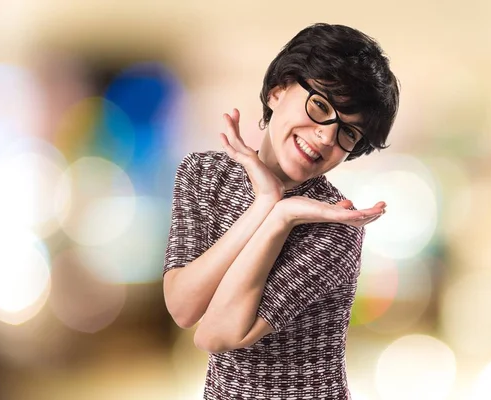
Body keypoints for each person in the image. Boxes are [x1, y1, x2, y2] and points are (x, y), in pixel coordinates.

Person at [163, 23, 400, 399]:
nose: (326, 137)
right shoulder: (204, 175)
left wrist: (280, 216)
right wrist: (264, 205)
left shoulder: (336, 224)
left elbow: (218, 334)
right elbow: (182, 307)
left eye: (348, 134)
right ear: (278, 90)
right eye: (321, 105)